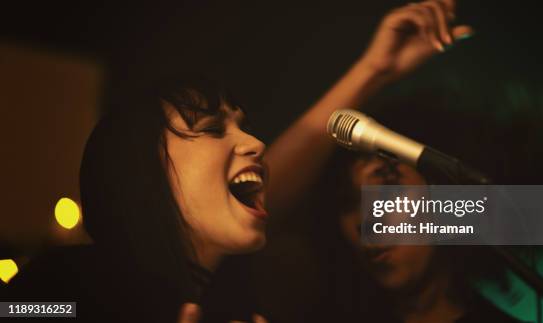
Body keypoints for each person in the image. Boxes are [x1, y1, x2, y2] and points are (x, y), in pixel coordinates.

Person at [7, 0, 471, 322]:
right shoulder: (61, 290)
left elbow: (534, 220)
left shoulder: (237, 294)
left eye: (387, 191)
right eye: (210, 129)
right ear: (140, 174)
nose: (255, 142)